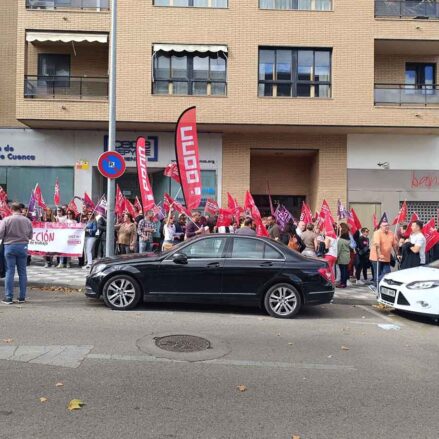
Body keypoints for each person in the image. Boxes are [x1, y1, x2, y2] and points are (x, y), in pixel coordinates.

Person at [0, 203, 33, 304]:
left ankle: (9, 297)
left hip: (9, 246)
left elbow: (1, 233)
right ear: (20, 209)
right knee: (22, 272)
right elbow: (31, 235)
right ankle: (22, 297)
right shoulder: (27, 220)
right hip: (22, 246)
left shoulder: (6, 220)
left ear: (11, 209)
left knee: (10, 271)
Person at [369, 220, 398, 290]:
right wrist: (379, 254)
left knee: (387, 272)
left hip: (387, 257)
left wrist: (397, 254)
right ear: (381, 227)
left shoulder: (391, 233)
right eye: (385, 225)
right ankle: (376, 286)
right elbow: (377, 245)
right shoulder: (377, 233)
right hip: (376, 257)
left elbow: (394, 245)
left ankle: (376, 284)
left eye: (388, 225)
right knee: (377, 273)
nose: (387, 227)